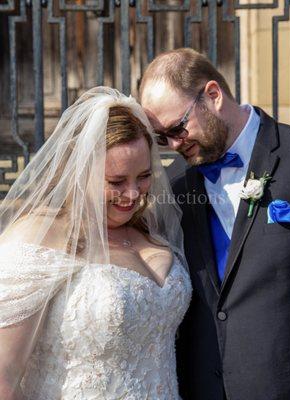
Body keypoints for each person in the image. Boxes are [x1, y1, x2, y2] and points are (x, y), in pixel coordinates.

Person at [140, 48, 290, 400]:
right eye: (163, 138)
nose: (175, 145)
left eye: (179, 128)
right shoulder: (175, 185)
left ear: (213, 95)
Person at [0, 87, 192, 400]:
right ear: (78, 172)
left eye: (143, 176)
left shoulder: (150, 228)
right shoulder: (39, 236)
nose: (133, 194)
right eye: (116, 181)